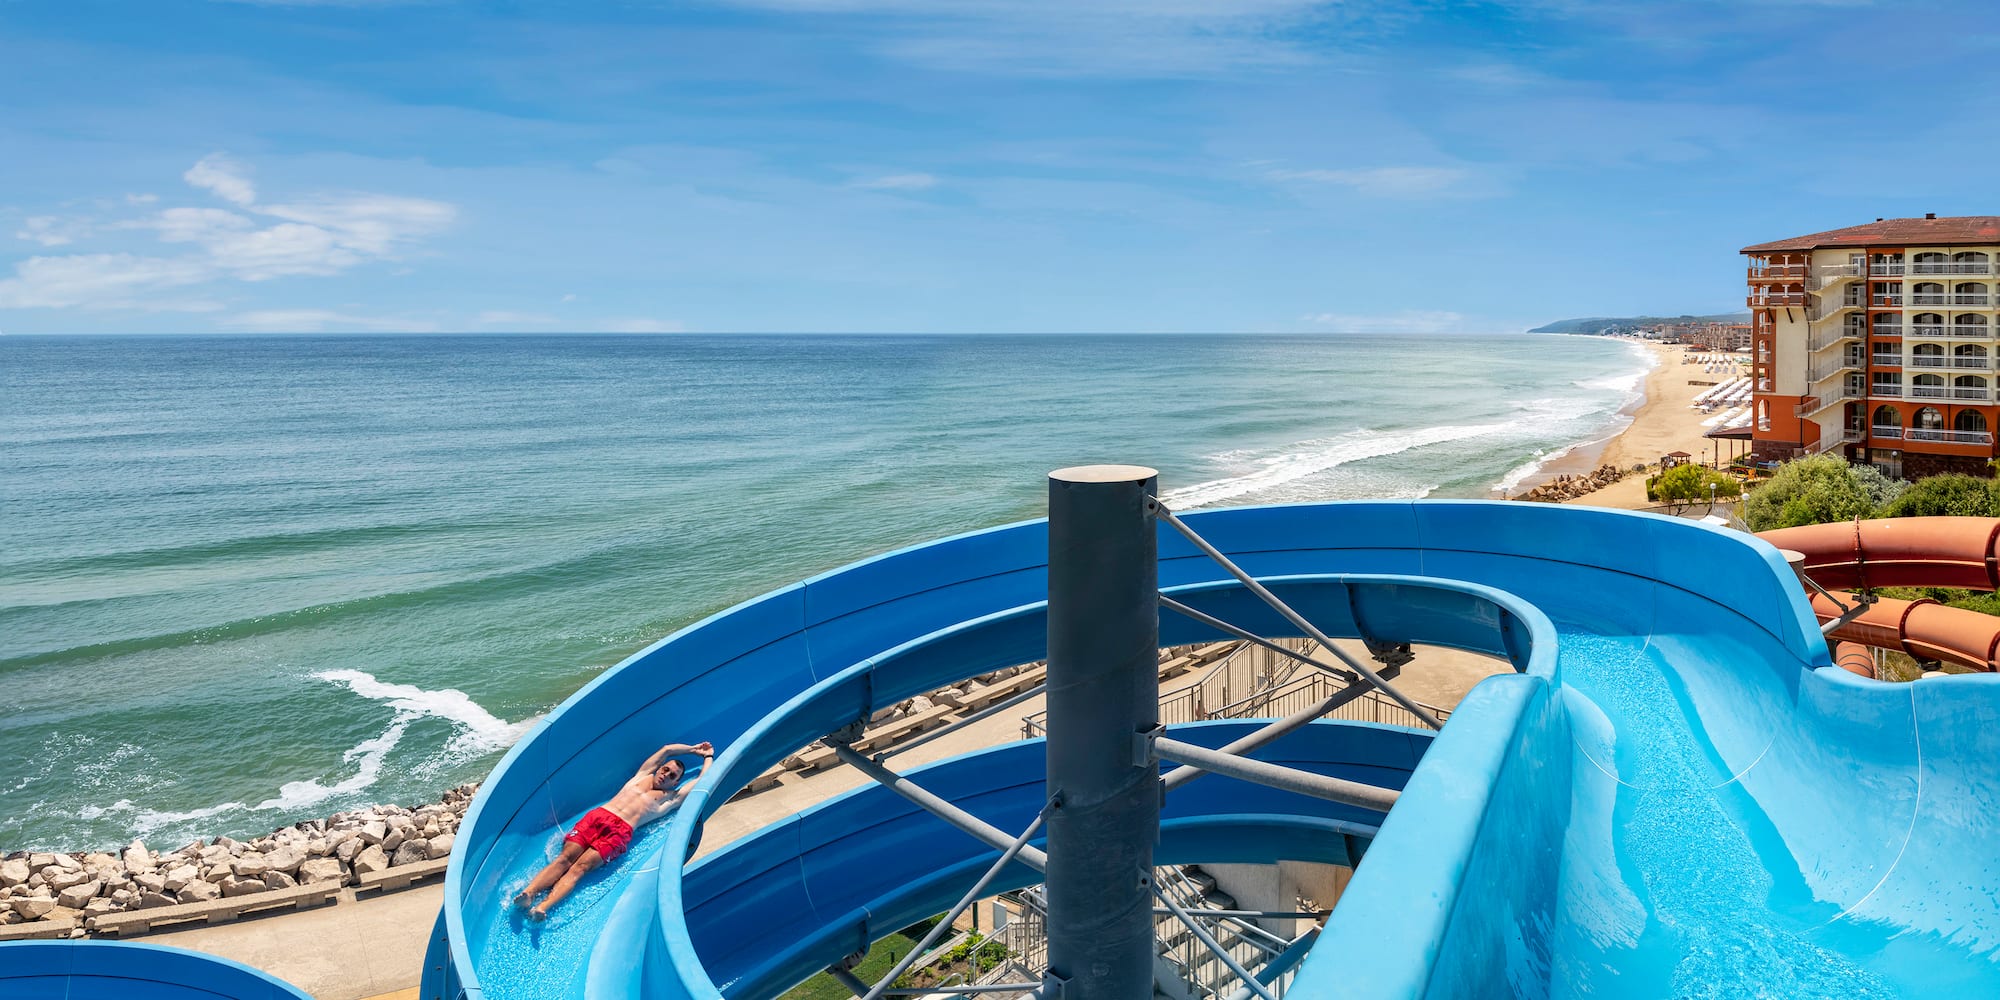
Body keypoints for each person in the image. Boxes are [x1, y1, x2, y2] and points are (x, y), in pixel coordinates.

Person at [514, 740, 713, 920]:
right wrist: (694, 749)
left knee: (579, 869)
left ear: (677, 782)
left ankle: (543, 907)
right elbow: (667, 750)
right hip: (598, 817)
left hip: (620, 832)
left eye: (672, 776)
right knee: (565, 858)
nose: (666, 775)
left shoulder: (671, 797)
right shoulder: (641, 776)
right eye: (665, 769)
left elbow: (702, 781)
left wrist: (708, 758)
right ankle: (529, 894)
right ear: (659, 768)